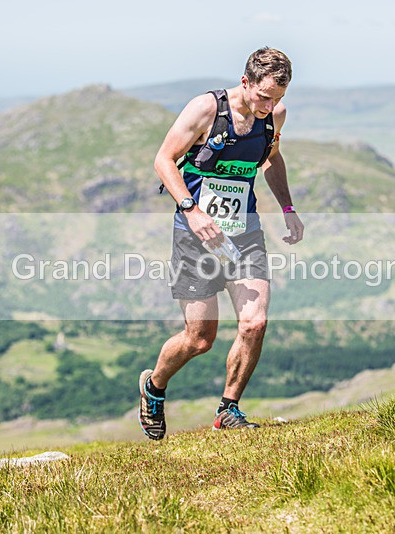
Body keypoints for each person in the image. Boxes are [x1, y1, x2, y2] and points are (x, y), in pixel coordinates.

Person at [139, 47, 304, 440]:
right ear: (245, 81)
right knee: (200, 338)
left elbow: (271, 158)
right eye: (264, 96)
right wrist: (193, 211)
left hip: (243, 233)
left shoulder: (273, 116)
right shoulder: (206, 109)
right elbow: (164, 160)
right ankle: (154, 386)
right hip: (196, 236)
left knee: (255, 322)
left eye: (278, 98)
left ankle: (227, 410)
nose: (270, 105)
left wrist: (288, 206)